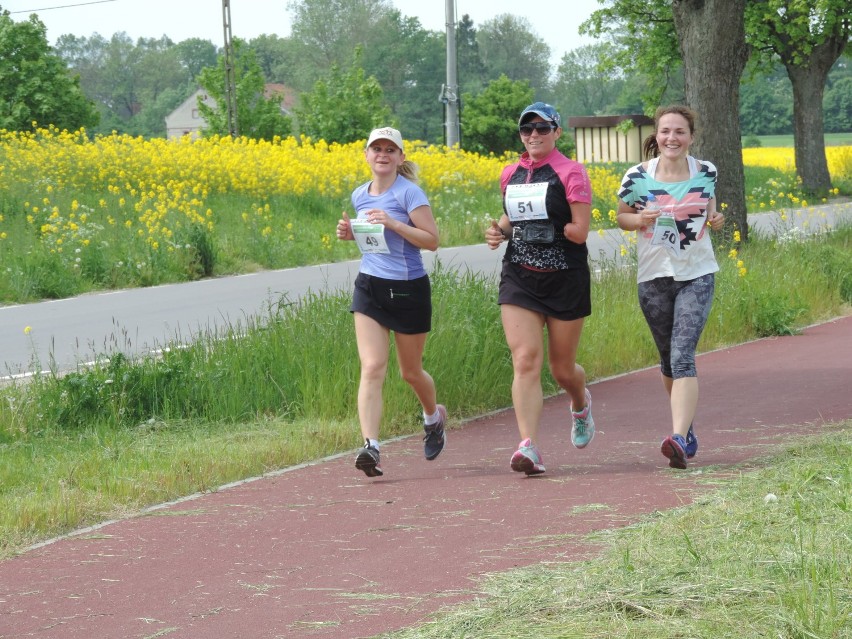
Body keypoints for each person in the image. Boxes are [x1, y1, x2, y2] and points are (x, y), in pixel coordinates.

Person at [484, 102, 595, 476]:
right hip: (519, 275)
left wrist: (567, 230)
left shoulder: (571, 172)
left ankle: (580, 403)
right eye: (526, 129)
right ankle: (528, 446)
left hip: (564, 276)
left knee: (562, 369)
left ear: (556, 132)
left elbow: (581, 229)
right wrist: (498, 232)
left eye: (542, 129)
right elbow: (510, 220)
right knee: (525, 359)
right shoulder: (510, 173)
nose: (533, 135)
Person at [616, 105, 725, 470]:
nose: (671, 138)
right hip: (653, 276)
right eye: (665, 131)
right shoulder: (637, 176)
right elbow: (621, 217)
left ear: (691, 137)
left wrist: (716, 218)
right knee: (668, 360)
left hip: (697, 273)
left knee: (682, 355)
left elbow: (710, 211)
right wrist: (639, 218)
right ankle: (687, 428)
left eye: (679, 132)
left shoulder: (706, 171)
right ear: (656, 136)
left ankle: (677, 438)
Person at [336, 126, 447, 478]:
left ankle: (433, 417)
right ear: (367, 155)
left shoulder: (410, 194)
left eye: (389, 150)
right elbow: (373, 241)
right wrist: (352, 233)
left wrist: (395, 224)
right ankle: (371, 446)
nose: (382, 154)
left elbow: (432, 241)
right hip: (370, 286)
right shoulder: (359, 195)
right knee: (371, 367)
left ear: (400, 158)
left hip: (408, 289)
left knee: (410, 372)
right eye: (376, 149)